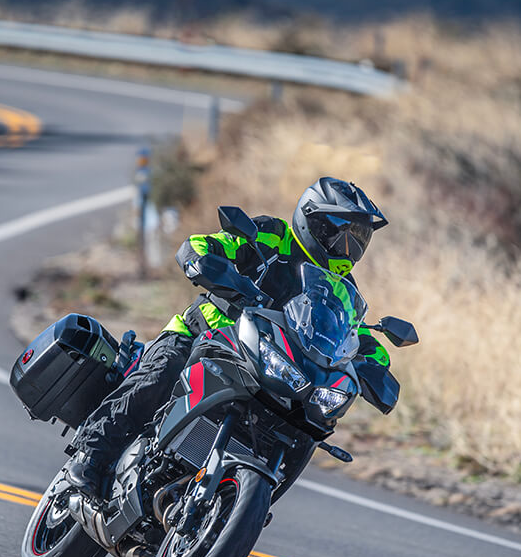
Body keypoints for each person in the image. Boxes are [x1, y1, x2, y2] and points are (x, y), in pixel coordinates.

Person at [65, 176, 392, 497]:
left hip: (268, 361)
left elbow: (357, 335)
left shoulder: (341, 290)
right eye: (343, 234)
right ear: (313, 221)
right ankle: (91, 452)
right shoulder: (272, 235)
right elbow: (205, 244)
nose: (350, 247)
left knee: (303, 430)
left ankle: (239, 506)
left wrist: (374, 366)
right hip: (205, 332)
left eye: (359, 238)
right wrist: (203, 259)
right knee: (160, 375)